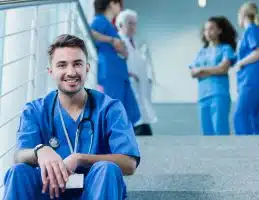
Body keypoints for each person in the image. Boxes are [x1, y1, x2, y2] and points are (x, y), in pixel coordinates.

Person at [3, 34, 140, 200]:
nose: (71, 72)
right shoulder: (35, 110)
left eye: (77, 64)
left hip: (95, 190)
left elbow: (129, 164)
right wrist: (40, 150)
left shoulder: (109, 109)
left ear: (87, 68)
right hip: (48, 189)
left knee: (107, 169)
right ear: (51, 71)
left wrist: (80, 159)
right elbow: (19, 156)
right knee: (17, 171)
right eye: (62, 65)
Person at [90, 0, 140, 125]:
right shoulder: (100, 20)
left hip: (118, 72)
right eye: (119, 4)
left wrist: (122, 49)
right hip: (110, 72)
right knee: (114, 110)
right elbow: (90, 33)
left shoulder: (109, 25)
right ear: (111, 3)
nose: (121, 7)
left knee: (129, 111)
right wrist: (112, 40)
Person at [189, 16, 237, 135]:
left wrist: (203, 70)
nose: (208, 32)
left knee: (220, 131)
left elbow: (223, 69)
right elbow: (193, 73)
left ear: (219, 31)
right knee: (207, 134)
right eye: (206, 30)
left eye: (211, 29)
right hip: (203, 97)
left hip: (218, 94)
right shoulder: (201, 52)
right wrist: (212, 70)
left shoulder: (226, 49)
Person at [116, 9, 157, 136]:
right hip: (128, 92)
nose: (134, 26)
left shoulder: (134, 44)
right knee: (140, 127)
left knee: (143, 124)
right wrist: (129, 75)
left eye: (135, 23)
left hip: (140, 92)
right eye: (130, 23)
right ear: (121, 25)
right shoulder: (119, 42)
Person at [234, 2, 259, 135]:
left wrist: (240, 63)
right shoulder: (252, 32)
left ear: (242, 15)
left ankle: (244, 152)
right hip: (251, 81)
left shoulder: (252, 30)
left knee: (240, 116)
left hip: (251, 81)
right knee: (255, 118)